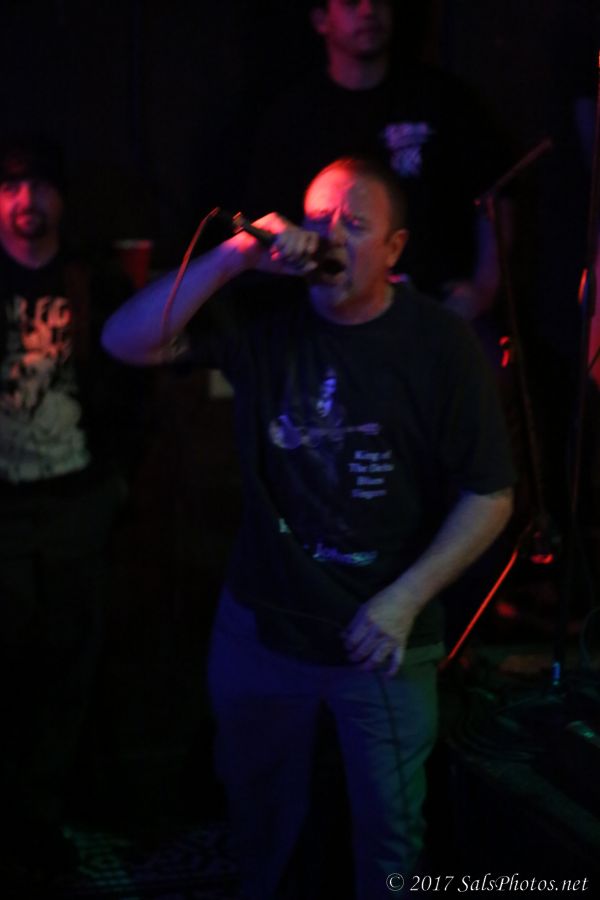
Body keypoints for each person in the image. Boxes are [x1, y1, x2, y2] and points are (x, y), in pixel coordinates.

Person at [102, 155, 514, 898]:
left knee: (389, 838)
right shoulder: (268, 325)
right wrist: (235, 256)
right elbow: (125, 342)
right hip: (265, 630)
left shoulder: (439, 345)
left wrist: (403, 600)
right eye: (319, 218)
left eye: (354, 224)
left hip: (382, 640)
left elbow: (491, 495)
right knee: (260, 821)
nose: (329, 235)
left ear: (393, 248)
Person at [0, 136, 141, 886]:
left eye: (40, 186)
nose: (27, 202)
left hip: (75, 501)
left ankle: (39, 823)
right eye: (12, 187)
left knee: (65, 671)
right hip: (5, 508)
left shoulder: (92, 280)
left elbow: (132, 383)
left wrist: (115, 479)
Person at [245, 0, 511, 325]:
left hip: (436, 311)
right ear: (321, 19)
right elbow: (270, 226)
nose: (368, 9)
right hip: (333, 323)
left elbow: (496, 193)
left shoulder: (442, 98)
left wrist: (484, 289)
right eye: (351, 2)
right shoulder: (294, 119)